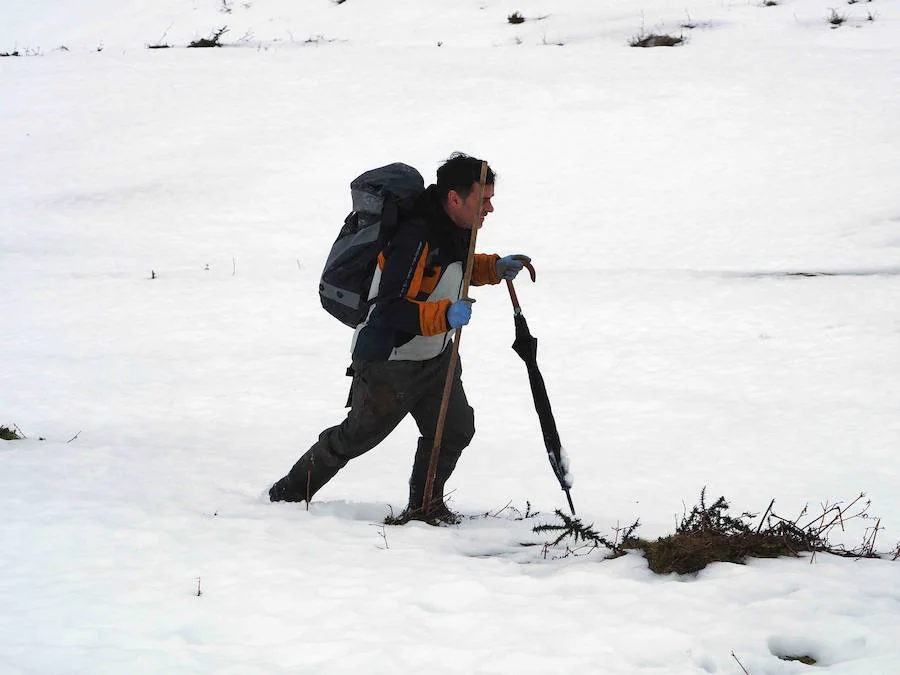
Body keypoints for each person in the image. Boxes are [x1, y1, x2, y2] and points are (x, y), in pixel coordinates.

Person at [268, 153, 530, 523]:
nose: (490, 208)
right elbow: (388, 309)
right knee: (356, 437)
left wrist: (492, 267)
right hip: (390, 363)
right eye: (483, 199)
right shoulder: (415, 238)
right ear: (455, 198)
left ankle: (426, 507)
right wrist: (445, 315)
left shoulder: (456, 229)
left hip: (436, 358)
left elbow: (455, 267)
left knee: (454, 430)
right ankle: (287, 496)